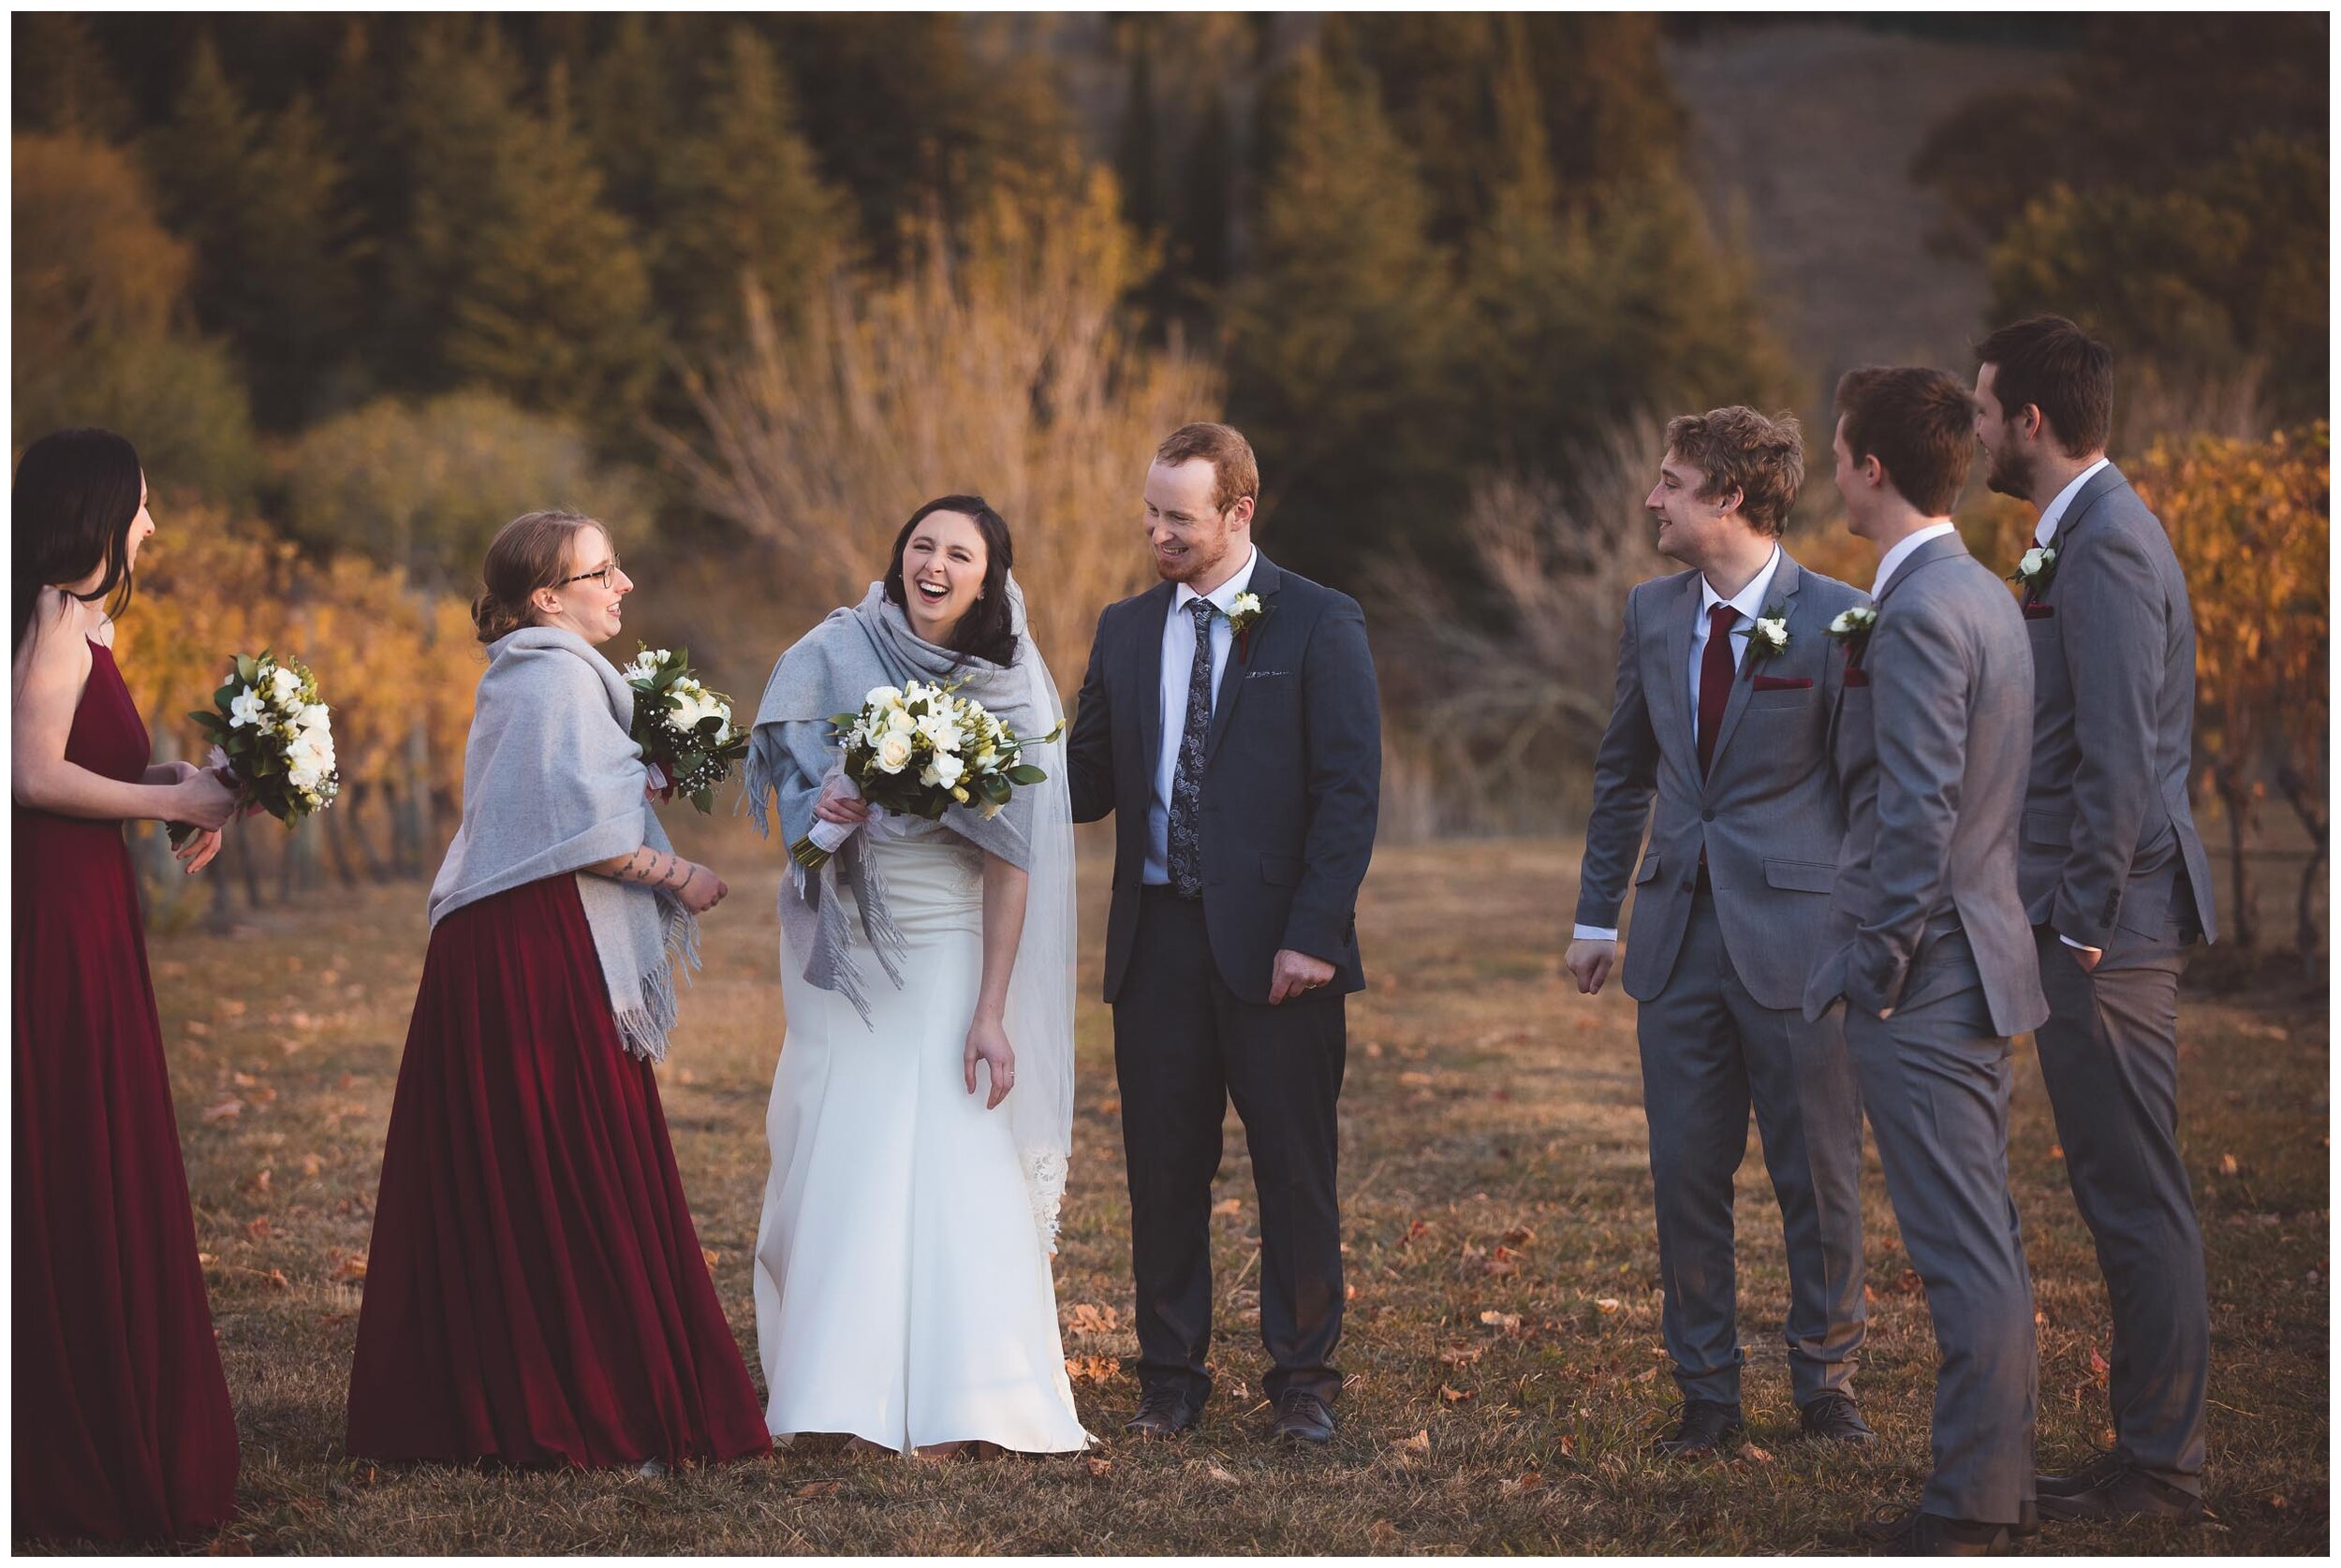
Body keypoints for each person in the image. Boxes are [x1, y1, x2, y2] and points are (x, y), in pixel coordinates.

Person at [345, 509, 769, 1473]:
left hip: (522, 943)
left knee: (558, 1159)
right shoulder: (550, 683)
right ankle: (581, 1396)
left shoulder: (551, 675)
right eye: (602, 571)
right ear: (547, 597)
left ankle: (548, 1380)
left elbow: (566, 805)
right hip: (530, 954)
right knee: (564, 1163)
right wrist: (682, 877)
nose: (622, 586)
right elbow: (584, 836)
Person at [744, 496, 1088, 1458]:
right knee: (837, 1140)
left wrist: (992, 1007)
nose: (933, 564)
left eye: (958, 554)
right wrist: (832, 809)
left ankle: (964, 1393)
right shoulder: (836, 647)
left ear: (989, 577)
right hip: (840, 940)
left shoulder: (1010, 684)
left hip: (944, 942)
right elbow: (800, 821)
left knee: (944, 1145)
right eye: (920, 546)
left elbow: (1011, 863)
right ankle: (833, 1388)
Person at [1565, 407, 1873, 1455]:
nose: (1652, 497)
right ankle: (1707, 1392)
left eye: (1670, 481)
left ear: (1728, 497)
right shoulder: (1651, 613)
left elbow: (1868, 788)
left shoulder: (1841, 618)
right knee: (1685, 1172)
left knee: (1817, 1170)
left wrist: (1868, 929)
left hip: (1801, 940)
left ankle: (1825, 1385)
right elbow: (1623, 772)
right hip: (1675, 939)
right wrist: (1594, 914)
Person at [1066, 422, 1380, 1445]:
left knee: (1294, 1168)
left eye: (1179, 518)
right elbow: (1082, 785)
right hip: (1154, 941)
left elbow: (1348, 792)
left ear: (1239, 513)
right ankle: (1169, 1379)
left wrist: (1314, 933)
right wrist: (968, 743)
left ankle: (1303, 1383)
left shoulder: (1319, 621)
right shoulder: (1121, 628)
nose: (1157, 532)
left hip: (1282, 948)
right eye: (1150, 513)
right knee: (1163, 1169)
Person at [1973, 315, 2216, 1527]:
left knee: (2137, 1190)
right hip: (2090, 917)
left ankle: (2164, 1468)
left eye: (1980, 409)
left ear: (2030, 419)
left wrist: (2077, 925)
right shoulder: (2079, 535)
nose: (1971, 430)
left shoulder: (2109, 544)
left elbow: (2121, 758)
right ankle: (2146, 1449)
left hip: (2105, 929)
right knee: (2122, 1185)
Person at [1807, 368, 2046, 1555]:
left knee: (1960, 1246)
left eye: (1837, 447)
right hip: (1982, 948)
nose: (1831, 464)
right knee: (1984, 1231)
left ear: (1870, 468)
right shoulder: (1987, 594)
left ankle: (1969, 1504)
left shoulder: (1915, 610)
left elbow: (1915, 814)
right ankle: (2001, 1478)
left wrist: (1879, 965)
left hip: (1930, 968)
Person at [12, 428, 242, 1542]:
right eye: (143, 505)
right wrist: (169, 805)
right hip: (52, 909)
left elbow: (85, 761)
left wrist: (182, 782)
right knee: (66, 1124)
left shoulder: (77, 622)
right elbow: (33, 772)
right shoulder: (55, 612)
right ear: (97, 511)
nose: (151, 525)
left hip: (88, 901)